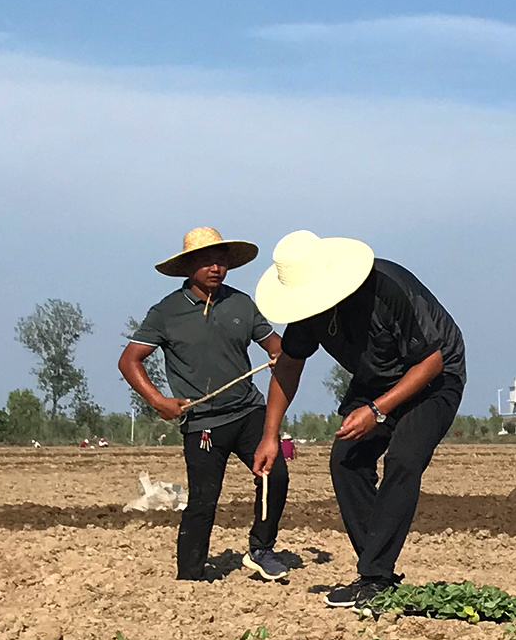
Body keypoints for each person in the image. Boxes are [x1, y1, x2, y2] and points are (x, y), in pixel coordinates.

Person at [249, 232, 466, 608]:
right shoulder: (308, 310)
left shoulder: (389, 288)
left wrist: (378, 410)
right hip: (376, 379)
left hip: (434, 376)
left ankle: (374, 576)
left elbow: (431, 361)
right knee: (346, 459)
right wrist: (270, 435)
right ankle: (377, 573)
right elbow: (287, 368)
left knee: (403, 458)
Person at [115, 227, 294, 582]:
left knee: (276, 476)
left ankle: (261, 549)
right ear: (187, 267)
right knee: (203, 500)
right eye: (206, 260)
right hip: (202, 423)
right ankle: (190, 575)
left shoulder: (242, 304)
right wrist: (158, 401)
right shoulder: (166, 312)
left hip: (248, 412)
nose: (216, 267)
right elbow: (129, 360)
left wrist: (280, 356)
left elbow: (276, 347)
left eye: (221, 260)